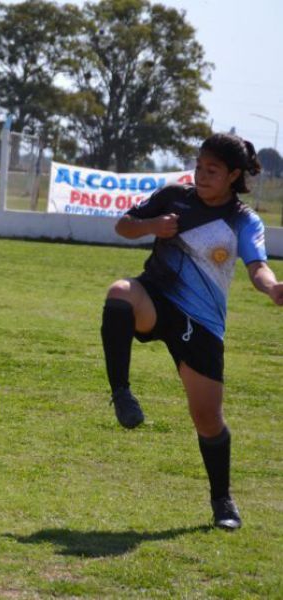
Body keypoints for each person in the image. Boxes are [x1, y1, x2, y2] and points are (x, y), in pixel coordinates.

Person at [100, 133, 282, 530]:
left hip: (201, 324)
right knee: (119, 293)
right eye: (199, 166)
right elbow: (123, 226)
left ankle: (222, 501)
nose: (201, 175)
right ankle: (121, 394)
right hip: (155, 299)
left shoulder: (243, 219)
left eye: (212, 170)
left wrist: (273, 289)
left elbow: (257, 266)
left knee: (207, 419)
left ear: (234, 175)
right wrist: (153, 225)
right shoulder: (172, 196)